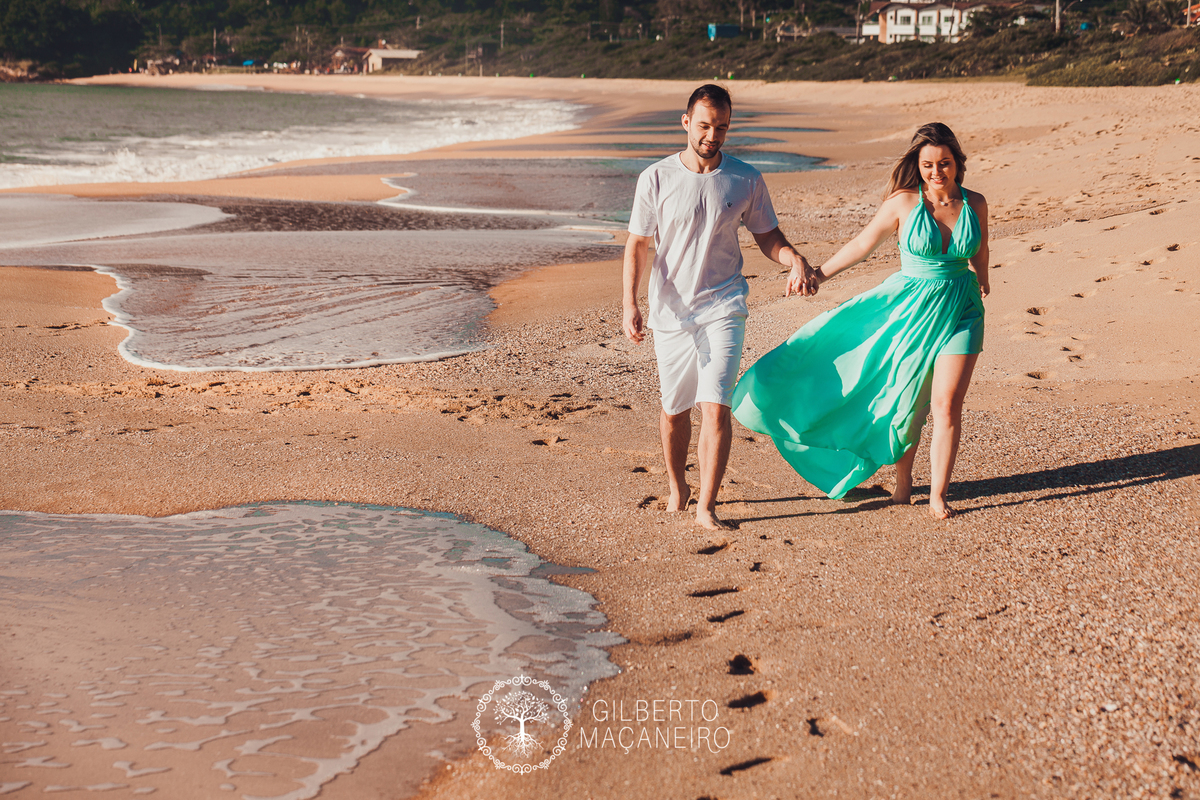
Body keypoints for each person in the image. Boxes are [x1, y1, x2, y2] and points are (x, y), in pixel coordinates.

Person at [731, 122, 989, 520]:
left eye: (945, 163)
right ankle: (904, 486)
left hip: (963, 310)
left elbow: (981, 247)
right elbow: (862, 245)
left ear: (958, 163)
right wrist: (817, 273)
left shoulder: (975, 203)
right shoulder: (903, 203)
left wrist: (983, 278)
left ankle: (938, 494)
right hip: (912, 310)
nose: (937, 172)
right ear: (917, 165)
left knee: (947, 404)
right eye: (928, 165)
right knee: (909, 400)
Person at [622, 84, 817, 531]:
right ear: (686, 121)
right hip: (670, 311)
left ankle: (707, 506)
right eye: (705, 125)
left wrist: (794, 259)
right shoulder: (655, 177)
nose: (713, 135)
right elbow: (637, 244)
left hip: (724, 305)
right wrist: (630, 303)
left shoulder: (745, 178)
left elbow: (768, 236)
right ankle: (677, 487)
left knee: (716, 405)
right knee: (674, 410)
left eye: (722, 127)